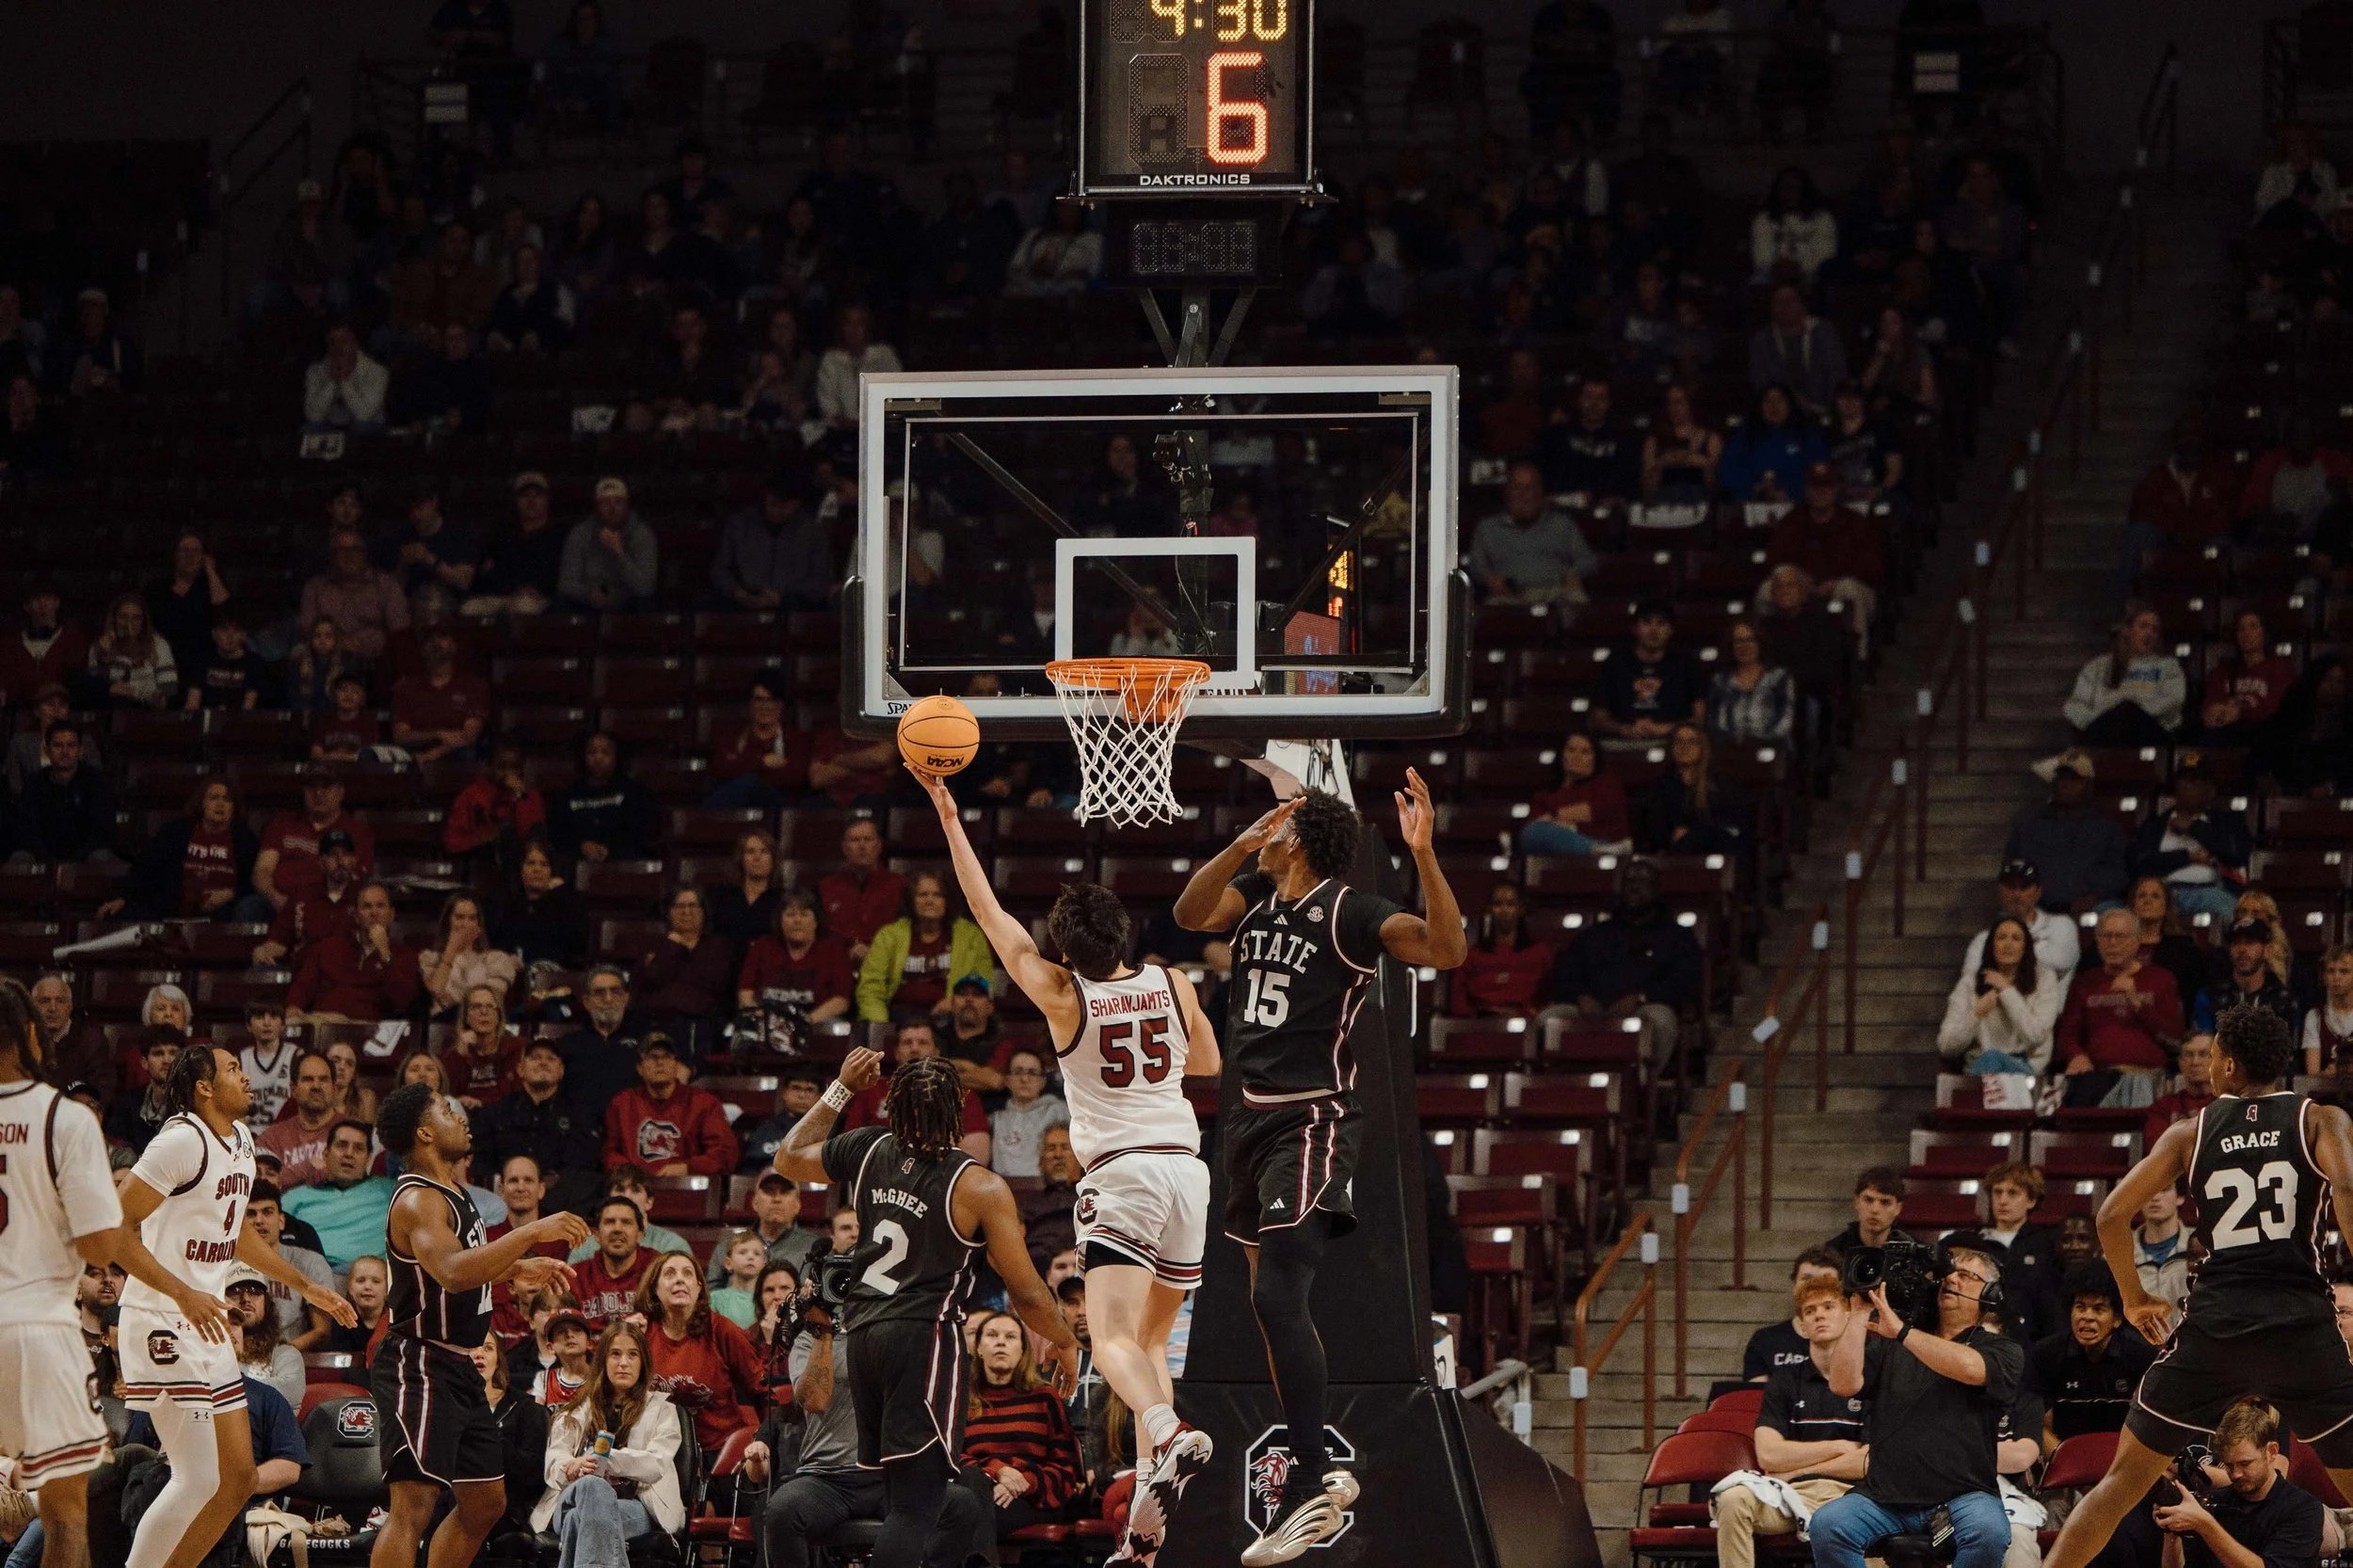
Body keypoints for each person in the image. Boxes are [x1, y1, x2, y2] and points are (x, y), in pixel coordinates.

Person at [924, 768, 1221, 1557]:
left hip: (1121, 1173)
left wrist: (951, 817)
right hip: (1187, 1173)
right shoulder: (1173, 979)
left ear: (1065, 949)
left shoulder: (1064, 996)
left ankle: (1165, 1428)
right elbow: (1209, 1066)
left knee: (1111, 1342)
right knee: (1155, 1344)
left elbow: (991, 919)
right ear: (1121, 936)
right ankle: (1149, 1525)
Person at [1173, 778, 1466, 1563]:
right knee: (1268, 1304)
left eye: (1276, 827)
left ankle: (1311, 1478)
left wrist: (1425, 856)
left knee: (1277, 1292)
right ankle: (1312, 1475)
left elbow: (1446, 950)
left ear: (1298, 839)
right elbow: (1187, 915)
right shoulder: (1253, 899)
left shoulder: (1351, 911)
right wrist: (1240, 843)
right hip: (1245, 1121)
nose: (1263, 832)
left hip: (1312, 1118)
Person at [2039, 1007, 2353, 1568]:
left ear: (2228, 1063)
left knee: (2114, 1490)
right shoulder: (2318, 1120)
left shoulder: (2191, 1132)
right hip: (2301, 1328)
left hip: (2215, 1329)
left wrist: (2134, 1299)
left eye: (2210, 1056)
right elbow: (2348, 1186)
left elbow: (2111, 1216)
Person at [767, 1045, 1079, 1568]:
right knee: (915, 1506)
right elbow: (1024, 1289)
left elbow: (787, 1156)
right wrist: (1066, 1340)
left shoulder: (867, 1148)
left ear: (893, 1103)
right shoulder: (978, 1185)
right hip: (924, 1340)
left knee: (902, 1497)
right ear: (959, 1106)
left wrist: (842, 1086)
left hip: (863, 1336)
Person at [113, 1046, 356, 1568]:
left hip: (206, 1321)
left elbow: (236, 1231)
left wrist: (305, 1286)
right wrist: (182, 1291)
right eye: (232, 1070)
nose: (246, 1079)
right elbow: (114, 1229)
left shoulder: (243, 1139)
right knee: (198, 1477)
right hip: (161, 1319)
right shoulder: (180, 1141)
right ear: (204, 1087)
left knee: (238, 1478)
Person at [369, 1081, 592, 1568]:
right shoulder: (417, 1199)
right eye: (448, 1110)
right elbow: (452, 1272)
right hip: (419, 1361)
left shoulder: (453, 1191)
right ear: (425, 1133)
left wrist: (515, 1267)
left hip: (460, 1365)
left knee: (486, 1503)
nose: (461, 1115)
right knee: (413, 1507)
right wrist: (531, 1231)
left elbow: (458, 1263)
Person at [0, 978, 128, 1568]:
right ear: (31, 1033)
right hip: (42, 1332)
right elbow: (101, 1241)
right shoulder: (66, 1118)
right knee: (66, 1521)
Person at [756, 1257, 984, 1568]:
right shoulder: (810, 1337)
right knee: (782, 1511)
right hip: (827, 1479)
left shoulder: (904, 1332)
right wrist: (822, 1331)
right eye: (841, 1281)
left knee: (962, 1505)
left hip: (893, 1477)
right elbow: (815, 1401)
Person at [1808, 1240, 2022, 1568]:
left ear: (1989, 1295)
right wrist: (1859, 1314)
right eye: (1949, 1274)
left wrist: (1903, 1332)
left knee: (1989, 1531)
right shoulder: (1895, 1345)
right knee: (1828, 1524)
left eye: (1967, 1276)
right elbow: (1842, 1384)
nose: (1952, 1280)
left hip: (1963, 1497)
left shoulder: (2001, 1349)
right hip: (1885, 1498)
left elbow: (1968, 1367)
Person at [1713, 1276, 1868, 1568]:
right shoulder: (1783, 1383)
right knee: (1733, 1499)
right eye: (1810, 1311)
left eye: (1828, 1306)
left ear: (1848, 1314)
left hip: (1851, 1495)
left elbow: (1870, 1461)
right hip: (1790, 1494)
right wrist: (1839, 1447)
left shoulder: (1872, 1379)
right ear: (1803, 1326)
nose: (1819, 1314)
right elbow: (1769, 1454)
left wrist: (1802, 1467)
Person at [530, 1319, 686, 1564]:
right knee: (592, 1488)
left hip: (634, 1505)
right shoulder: (574, 1412)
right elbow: (554, 1462)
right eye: (615, 1354)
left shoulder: (663, 1411)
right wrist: (573, 1466)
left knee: (578, 1520)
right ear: (602, 1360)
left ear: (643, 1362)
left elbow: (656, 1463)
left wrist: (605, 1459)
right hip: (570, 1500)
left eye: (632, 1355)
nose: (623, 1362)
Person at [1547, 858, 1705, 1069]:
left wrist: (1642, 997)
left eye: (1642, 881)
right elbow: (1566, 971)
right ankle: (1560, 1082)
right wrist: (1580, 996)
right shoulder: (1596, 933)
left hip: (1645, 1007)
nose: (1634, 887)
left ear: (1656, 890)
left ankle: (1643, 1087)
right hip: (1590, 1008)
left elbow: (1686, 981)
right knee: (1548, 1019)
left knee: (1660, 1021)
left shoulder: (1676, 936)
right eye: (1629, 881)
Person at [955, 1308, 1084, 1545]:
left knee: (971, 1517)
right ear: (979, 1349)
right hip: (980, 1490)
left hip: (1034, 1497)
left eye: (1011, 1337)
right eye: (992, 1335)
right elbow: (954, 1459)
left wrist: (1024, 1483)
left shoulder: (1044, 1397)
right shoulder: (962, 1399)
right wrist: (998, 1472)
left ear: (1023, 1350)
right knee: (967, 1505)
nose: (1001, 1342)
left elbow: (1066, 1467)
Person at [631, 1250, 765, 1453]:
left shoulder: (722, 1330)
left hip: (719, 1451)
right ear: (654, 1288)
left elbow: (761, 1389)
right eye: (669, 1274)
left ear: (699, 1288)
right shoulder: (640, 1331)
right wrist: (628, 1343)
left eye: (687, 1274)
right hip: (654, 1451)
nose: (679, 1280)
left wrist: (764, 1441)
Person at [2056, 911, 2186, 1108]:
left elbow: (2174, 1037)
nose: (2112, 943)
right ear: (2098, 941)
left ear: (2136, 941)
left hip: (2146, 1077)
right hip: (2097, 1078)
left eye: (2120, 936)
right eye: (2106, 936)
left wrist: (2137, 1004)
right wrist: (2077, 1055)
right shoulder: (2084, 983)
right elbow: (2067, 1035)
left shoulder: (2160, 979)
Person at [2029, 1260, 2154, 1449]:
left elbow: (2150, 1427)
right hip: (2065, 1459)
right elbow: (2038, 1424)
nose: (2087, 1317)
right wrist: (2068, 1462)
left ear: (2117, 1319)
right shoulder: (2046, 1354)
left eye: (2098, 1309)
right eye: (2080, 1307)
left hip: (2125, 1461)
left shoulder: (2142, 1356)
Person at [2004, 752, 2132, 917]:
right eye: (2061, 779)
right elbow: (2012, 867)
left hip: (2092, 906)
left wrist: (2095, 895)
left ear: (2087, 785)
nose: (2066, 785)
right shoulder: (2028, 825)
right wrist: (2027, 895)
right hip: (2038, 905)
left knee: (2113, 913)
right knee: (2007, 919)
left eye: (2074, 780)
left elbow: (2118, 872)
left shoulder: (2108, 827)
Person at [2130, 759, 2253, 926]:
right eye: (2184, 781)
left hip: (2210, 891)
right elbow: (2141, 862)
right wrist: (2187, 857)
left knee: (2234, 913)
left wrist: (2195, 827)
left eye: (2196, 782)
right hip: (2163, 892)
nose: (2188, 787)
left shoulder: (2227, 822)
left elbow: (2236, 854)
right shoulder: (2156, 824)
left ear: (2210, 790)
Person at [857, 873, 994, 1024]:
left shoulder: (970, 936)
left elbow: (982, 984)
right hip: (897, 1018)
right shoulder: (889, 935)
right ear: (912, 900)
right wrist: (881, 1025)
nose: (930, 901)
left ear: (947, 901)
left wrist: (954, 1003)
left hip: (949, 1018)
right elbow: (870, 987)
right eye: (923, 895)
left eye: (937, 895)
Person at [603, 1034, 739, 1176]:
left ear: (676, 1064)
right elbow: (608, 1153)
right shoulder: (622, 1103)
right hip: (635, 1191)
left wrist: (688, 1168)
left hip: (686, 1191)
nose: (660, 1062)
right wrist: (630, 1172)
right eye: (652, 1056)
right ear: (640, 1068)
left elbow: (725, 1154)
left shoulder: (704, 1103)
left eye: (667, 1056)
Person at [1468, 460, 1600, 607]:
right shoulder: (1488, 528)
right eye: (1516, 488)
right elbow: (1475, 567)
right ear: (1507, 492)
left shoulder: (1562, 524)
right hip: (1509, 596)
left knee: (1578, 602)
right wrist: (1489, 579)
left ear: (1540, 492)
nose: (1523, 495)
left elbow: (1588, 561)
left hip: (1557, 592)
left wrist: (1574, 574)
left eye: (1529, 488)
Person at [1938, 915, 2057, 1074]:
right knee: (1990, 1059)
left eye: (2016, 938)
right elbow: (1946, 1045)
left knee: (1993, 1059)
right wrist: (1976, 1013)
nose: (2008, 944)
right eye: (2001, 937)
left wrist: (2007, 991)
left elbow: (2035, 1036)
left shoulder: (2044, 980)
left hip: (2025, 1067)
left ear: (2025, 947)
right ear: (1991, 945)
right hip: (1980, 1065)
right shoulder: (1970, 983)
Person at [288, 881, 421, 1023]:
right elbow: (302, 988)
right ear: (356, 916)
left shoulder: (405, 955)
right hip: (325, 1020)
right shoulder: (328, 947)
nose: (374, 912)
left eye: (380, 906)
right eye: (367, 907)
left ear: (391, 915)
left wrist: (385, 954)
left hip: (368, 1027)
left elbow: (403, 1001)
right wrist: (293, 1007)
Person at [1955, 864, 2085, 1005]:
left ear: (2038, 891)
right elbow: (1972, 982)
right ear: (2001, 891)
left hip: (2052, 1019)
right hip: (1998, 1018)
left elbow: (2061, 962)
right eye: (2010, 887)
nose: (2017, 894)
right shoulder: (1983, 939)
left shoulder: (2061, 925)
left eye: (2024, 887)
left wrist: (2000, 961)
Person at [280, 1120, 397, 1274]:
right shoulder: (296, 1197)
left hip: (372, 1281)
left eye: (358, 1148)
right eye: (342, 1145)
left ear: (368, 1158)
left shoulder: (391, 1191)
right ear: (326, 1154)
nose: (349, 1154)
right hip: (311, 1278)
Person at [2065, 603, 2188, 746]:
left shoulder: (2168, 666)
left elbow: (2173, 701)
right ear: (2127, 631)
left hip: (2150, 732)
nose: (2149, 634)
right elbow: (2074, 706)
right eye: (2143, 627)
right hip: (2104, 731)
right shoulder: (2098, 666)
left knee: (2127, 710)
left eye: (2154, 630)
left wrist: (2133, 709)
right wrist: (2102, 719)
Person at [242, 1180, 335, 1350]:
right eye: (250, 1214)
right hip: (237, 1356)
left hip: (292, 1356)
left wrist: (281, 1353)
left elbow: (322, 1331)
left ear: (281, 1221)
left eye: (267, 1212)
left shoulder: (310, 1262)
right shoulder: (225, 1262)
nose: (259, 1220)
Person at [1596, 601, 1704, 740]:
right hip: (1623, 742)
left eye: (1661, 623)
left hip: (1674, 742)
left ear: (1671, 630)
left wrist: (1665, 729)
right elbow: (1597, 718)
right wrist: (1624, 729)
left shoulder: (1686, 664)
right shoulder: (1614, 664)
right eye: (1647, 622)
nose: (1654, 630)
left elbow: (1699, 718)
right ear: (1634, 628)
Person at [547, 732, 657, 865]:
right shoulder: (567, 795)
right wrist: (582, 845)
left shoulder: (633, 792)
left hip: (623, 862)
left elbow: (640, 832)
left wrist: (610, 848)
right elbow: (557, 834)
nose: (598, 758)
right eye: (592, 753)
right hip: (577, 862)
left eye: (605, 753)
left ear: (616, 757)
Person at [1450, 882, 1556, 1019]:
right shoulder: (1473, 955)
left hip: (1528, 1023)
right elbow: (1458, 998)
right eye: (1498, 904)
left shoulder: (1539, 952)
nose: (1504, 910)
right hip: (1481, 1024)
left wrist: (1529, 1013)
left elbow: (1550, 993)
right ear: (1490, 909)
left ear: (1521, 909)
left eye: (1510, 904)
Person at [1520, 731, 1633, 856]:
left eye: (1585, 752)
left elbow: (1603, 810)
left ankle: (1600, 849)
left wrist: (1555, 815)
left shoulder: (1606, 782)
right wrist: (1572, 826)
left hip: (1606, 842)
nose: (1577, 756)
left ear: (1595, 759)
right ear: (1562, 755)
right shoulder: (1544, 795)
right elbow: (1536, 826)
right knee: (1532, 832)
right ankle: (1597, 850)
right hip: (1556, 853)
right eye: (1571, 750)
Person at [1742, 1248, 1844, 1381]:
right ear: (1794, 1286)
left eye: (1825, 1280)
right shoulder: (1765, 1340)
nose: (1814, 1286)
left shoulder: (1858, 1340)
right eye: (1806, 1279)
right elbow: (1758, 1397)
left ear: (1840, 1288)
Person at [558, 477, 659, 612]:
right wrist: (588, 594)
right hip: (589, 600)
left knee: (645, 603)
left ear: (627, 506)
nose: (612, 509)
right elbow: (566, 583)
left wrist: (619, 553)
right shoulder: (581, 534)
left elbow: (645, 588)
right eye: (605, 503)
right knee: (564, 602)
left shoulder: (641, 535)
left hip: (627, 602)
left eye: (618, 502)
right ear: (596, 507)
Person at [2196, 919, 2301, 1036]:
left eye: (2250, 942)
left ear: (2267, 950)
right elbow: (2202, 1046)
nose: (2242, 949)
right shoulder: (2211, 997)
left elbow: (2288, 1050)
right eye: (2236, 942)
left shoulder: (2283, 1000)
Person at [822, 819, 907, 959]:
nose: (862, 846)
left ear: (879, 846)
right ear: (844, 847)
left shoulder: (900, 885)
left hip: (886, 962)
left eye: (868, 839)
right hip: (837, 963)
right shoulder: (825, 887)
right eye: (855, 840)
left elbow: (905, 932)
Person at [225, 1265, 306, 1408]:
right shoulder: (210, 1352)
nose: (246, 1299)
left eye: (254, 1292)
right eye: (235, 1292)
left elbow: (290, 1393)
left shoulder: (284, 1353)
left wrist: (227, 1386)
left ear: (266, 1302)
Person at [1708, 620, 1796, 744]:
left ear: (1760, 643)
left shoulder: (1779, 677)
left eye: (1749, 640)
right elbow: (1716, 721)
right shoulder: (1720, 681)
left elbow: (1785, 718)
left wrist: (1757, 741)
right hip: (1730, 749)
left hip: (1771, 747)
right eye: (1738, 641)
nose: (1744, 646)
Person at [1824, 1167, 1913, 1257]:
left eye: (1885, 1202)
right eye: (1868, 1200)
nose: (1874, 1210)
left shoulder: (1915, 1254)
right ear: (1857, 1202)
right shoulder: (1832, 1253)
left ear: (1898, 1208)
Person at [2303, 945, 2353, 1076]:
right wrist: (2327, 1074)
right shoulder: (2315, 1017)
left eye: (2344, 971)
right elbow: (2312, 1077)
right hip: (2326, 1094)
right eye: (2331, 971)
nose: (2336, 977)